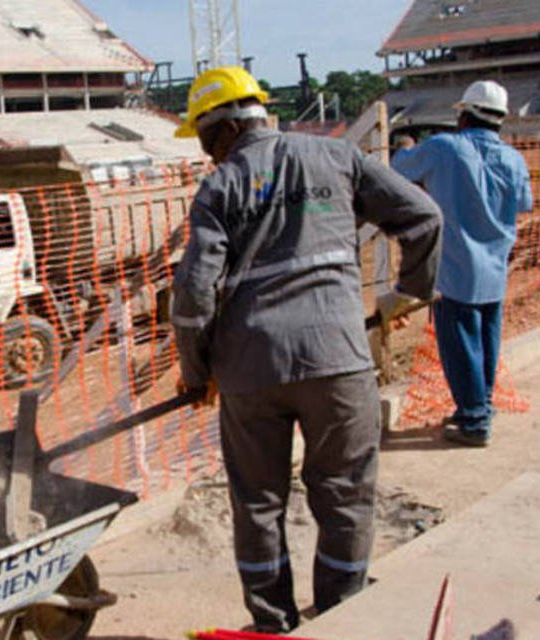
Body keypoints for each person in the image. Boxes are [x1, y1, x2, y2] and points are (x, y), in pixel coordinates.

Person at [170, 66, 443, 633]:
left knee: (257, 502)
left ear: (215, 131)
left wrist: (196, 375)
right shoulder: (337, 158)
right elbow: (424, 216)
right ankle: (345, 616)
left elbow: (194, 296)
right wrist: (408, 294)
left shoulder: (219, 187)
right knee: (344, 493)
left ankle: (273, 624)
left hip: (249, 372)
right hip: (338, 358)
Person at [392, 80, 533, 448]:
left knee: (460, 347)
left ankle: (473, 420)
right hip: (494, 267)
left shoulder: (444, 148)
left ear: (465, 114)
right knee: (486, 342)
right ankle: (479, 406)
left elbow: (400, 168)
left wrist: (405, 145)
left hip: (455, 269)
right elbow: (523, 203)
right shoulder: (514, 159)